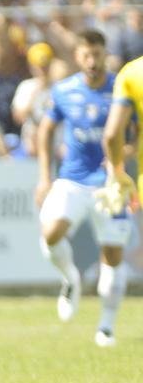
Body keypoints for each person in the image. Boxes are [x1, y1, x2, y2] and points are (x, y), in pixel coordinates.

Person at [37, 30, 131, 346]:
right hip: (72, 180)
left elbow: (135, 133)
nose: (92, 61)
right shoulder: (64, 91)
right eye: (86, 55)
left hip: (110, 184)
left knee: (113, 254)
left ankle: (106, 325)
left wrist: (122, 157)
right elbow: (45, 130)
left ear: (105, 54)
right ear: (78, 57)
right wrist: (44, 177)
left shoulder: (121, 88)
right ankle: (70, 278)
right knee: (50, 235)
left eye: (97, 54)